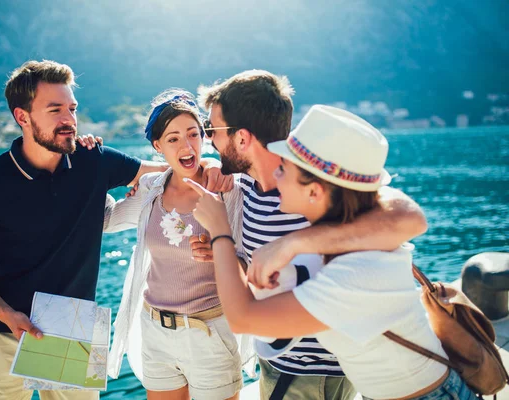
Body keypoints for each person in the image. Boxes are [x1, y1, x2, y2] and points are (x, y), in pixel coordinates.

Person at [0, 61, 229, 400]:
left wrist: (211, 164)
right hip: (2, 332)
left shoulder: (93, 161)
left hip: (74, 327)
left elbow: (175, 170)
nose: (69, 119)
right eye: (55, 110)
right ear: (22, 116)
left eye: (72, 108)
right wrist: (6, 314)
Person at [185, 104, 478, 400]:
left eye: (284, 169)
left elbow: (244, 319)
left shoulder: (352, 273)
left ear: (314, 192)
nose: (276, 173)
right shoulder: (353, 229)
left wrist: (220, 231)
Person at [99, 89, 254, 400]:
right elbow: (105, 221)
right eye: (173, 139)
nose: (186, 145)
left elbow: (252, 264)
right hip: (155, 330)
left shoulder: (226, 190)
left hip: (209, 332)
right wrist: (95, 169)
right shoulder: (149, 189)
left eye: (193, 134)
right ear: (158, 146)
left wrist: (220, 252)